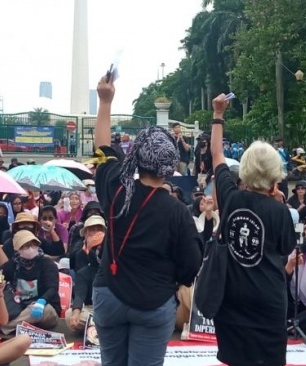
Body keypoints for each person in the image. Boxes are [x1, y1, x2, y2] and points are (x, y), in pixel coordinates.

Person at [90, 75, 202, 366]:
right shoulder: (178, 211)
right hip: (154, 301)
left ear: (137, 157)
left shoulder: (116, 188)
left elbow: (102, 150)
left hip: (109, 294)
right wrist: (173, 282)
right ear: (169, 166)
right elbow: (191, 263)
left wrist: (105, 101)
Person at [210, 93, 296, 366]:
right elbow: (285, 248)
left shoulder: (230, 196)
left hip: (231, 301)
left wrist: (218, 115)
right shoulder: (280, 210)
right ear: (276, 173)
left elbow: (217, 155)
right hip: (268, 302)